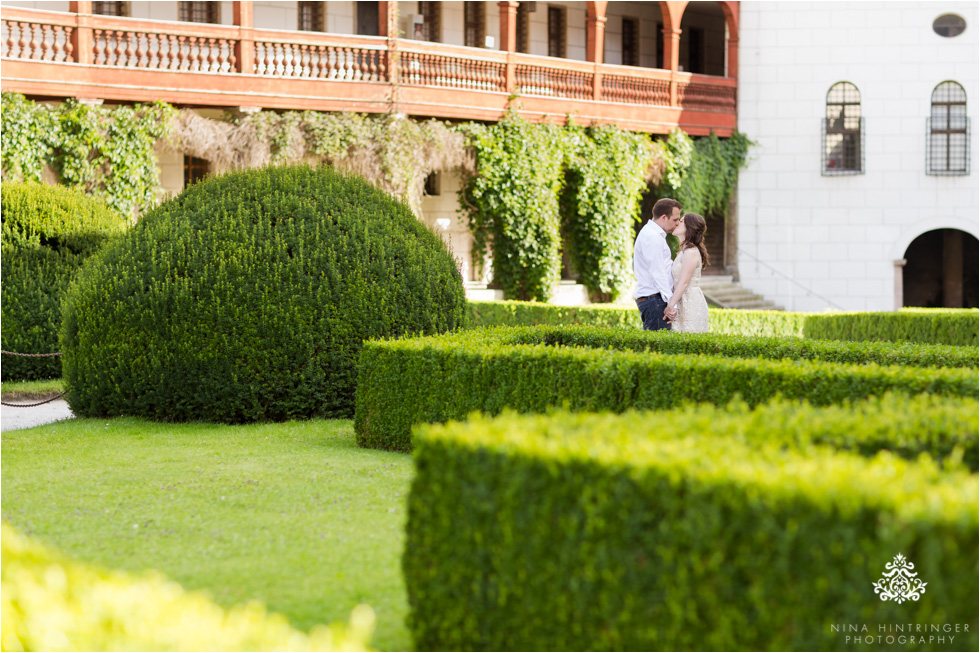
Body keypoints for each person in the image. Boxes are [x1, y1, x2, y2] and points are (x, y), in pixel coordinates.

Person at [633, 198, 682, 331]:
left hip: (655, 300)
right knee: (657, 349)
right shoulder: (652, 236)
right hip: (655, 300)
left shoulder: (653, 234)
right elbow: (658, 272)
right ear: (664, 217)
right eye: (675, 220)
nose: (677, 223)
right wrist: (671, 305)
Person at [663, 213, 710, 333]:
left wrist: (671, 305)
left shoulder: (691, 252)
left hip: (690, 302)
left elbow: (684, 282)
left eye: (682, 221)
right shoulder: (683, 251)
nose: (677, 222)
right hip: (681, 299)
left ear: (690, 227)